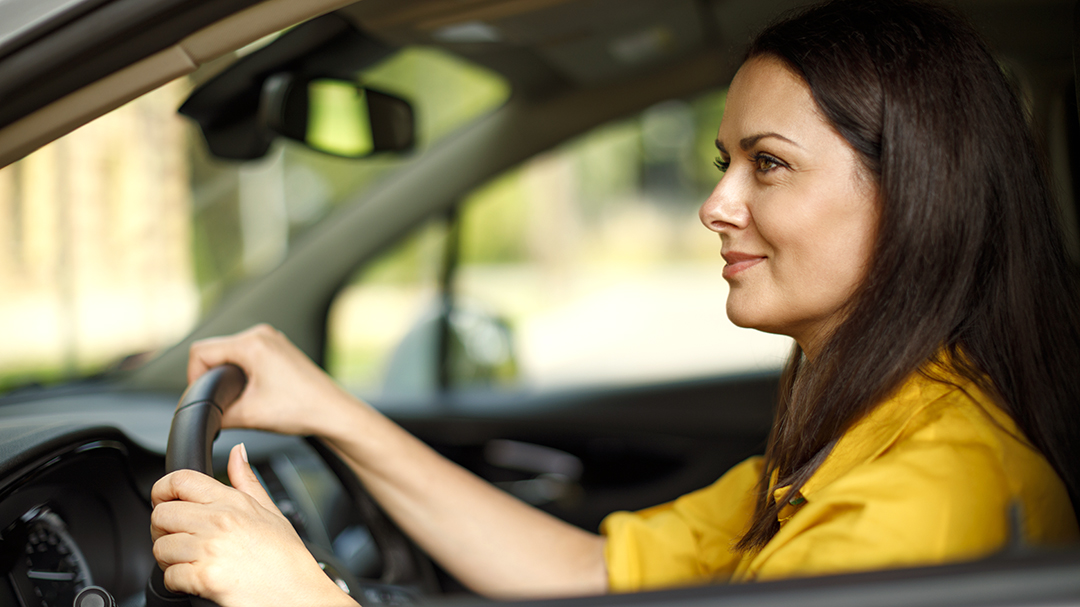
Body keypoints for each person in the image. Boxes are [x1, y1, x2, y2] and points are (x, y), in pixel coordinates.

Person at [148, 0, 1080, 605]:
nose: (716, 205)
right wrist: (334, 412)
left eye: (770, 163)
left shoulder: (916, 498)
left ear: (912, 193)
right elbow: (587, 571)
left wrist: (298, 595)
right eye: (727, 164)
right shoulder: (879, 423)